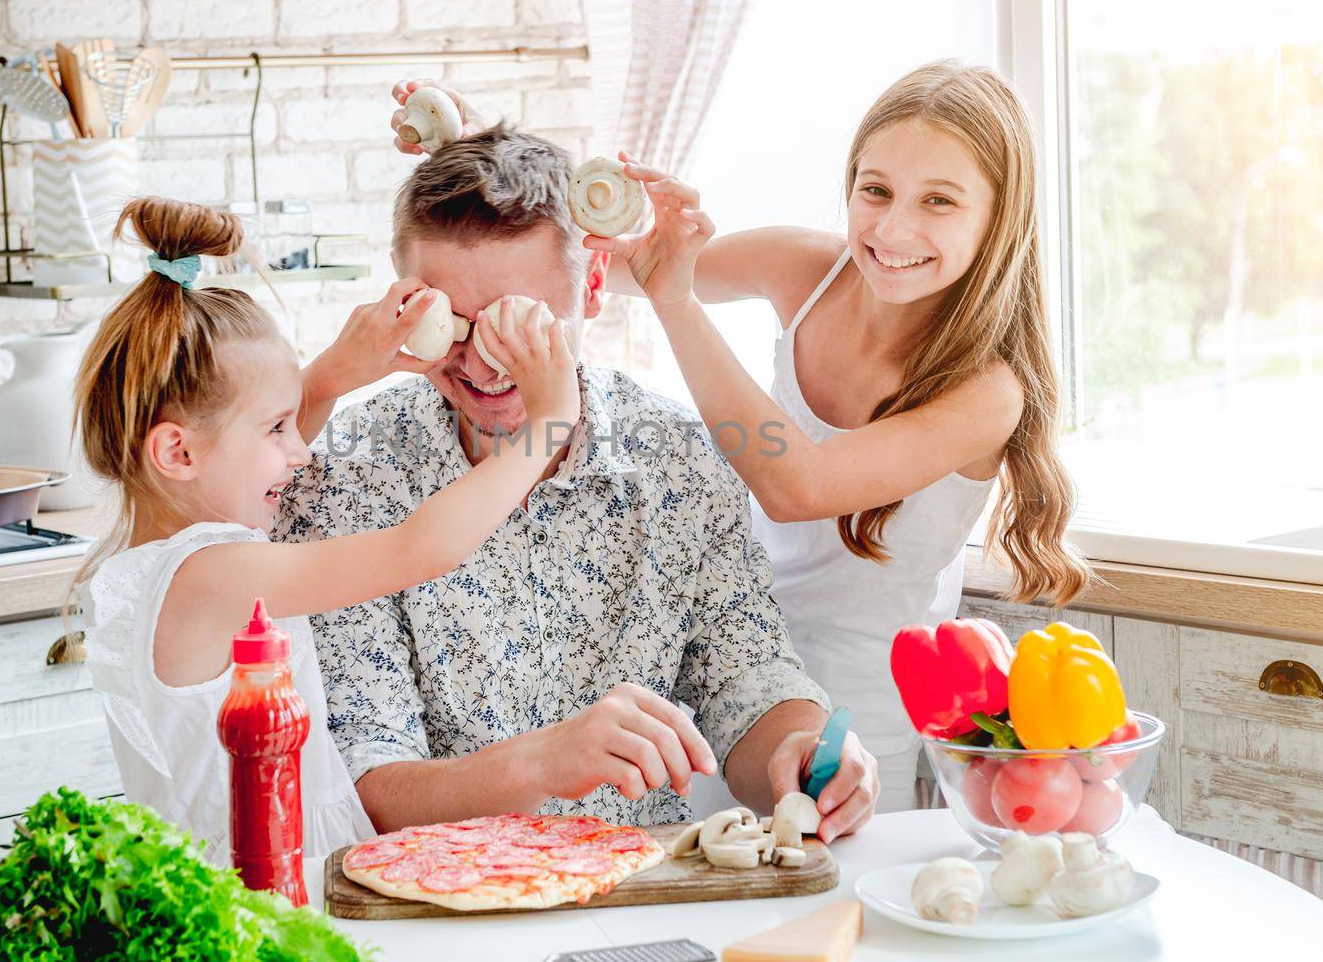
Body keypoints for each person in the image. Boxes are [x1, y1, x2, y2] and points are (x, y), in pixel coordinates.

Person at [276, 127, 880, 843]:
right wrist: (543, 761)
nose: (485, 362)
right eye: (453, 324)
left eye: (524, 324)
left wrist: (797, 749)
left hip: (640, 894)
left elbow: (744, 677)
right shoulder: (347, 479)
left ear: (593, 287)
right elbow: (365, 785)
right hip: (436, 913)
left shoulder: (680, 459)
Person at [586, 61, 1092, 811]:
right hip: (718, 686)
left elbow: (800, 486)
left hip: (850, 740)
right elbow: (624, 262)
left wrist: (679, 304)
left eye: (940, 202)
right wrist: (493, 159)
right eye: (875, 189)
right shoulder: (809, 269)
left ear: (997, 221)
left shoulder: (988, 390)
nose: (892, 229)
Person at [73, 195, 580, 862]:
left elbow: (237, 444)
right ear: (177, 453)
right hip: (270, 893)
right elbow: (419, 548)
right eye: (277, 428)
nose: (301, 448)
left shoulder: (163, 556)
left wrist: (337, 370)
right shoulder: (210, 573)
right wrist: (548, 424)